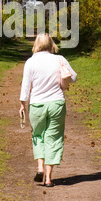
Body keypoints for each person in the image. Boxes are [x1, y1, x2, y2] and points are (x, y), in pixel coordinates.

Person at [19, 34, 77, 187]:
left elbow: (26, 86)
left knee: (38, 135)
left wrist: (22, 104)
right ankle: (49, 178)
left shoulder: (30, 62)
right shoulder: (60, 59)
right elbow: (74, 77)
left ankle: (39, 168)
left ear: (36, 44)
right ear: (51, 44)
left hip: (37, 104)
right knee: (54, 138)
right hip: (56, 103)